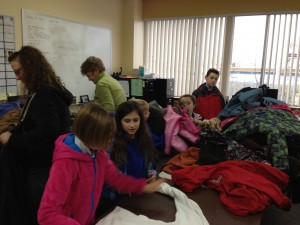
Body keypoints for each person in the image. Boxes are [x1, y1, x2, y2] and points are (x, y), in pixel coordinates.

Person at [37, 103, 165, 225]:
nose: (110, 141)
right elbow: (47, 214)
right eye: (107, 137)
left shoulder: (99, 154)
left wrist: (142, 186)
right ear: (92, 135)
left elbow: (115, 179)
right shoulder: (65, 164)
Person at [0, 45, 73, 225]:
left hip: (43, 168)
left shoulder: (44, 96)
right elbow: (32, 123)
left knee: (43, 215)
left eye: (19, 71)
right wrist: (14, 131)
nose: (17, 77)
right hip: (52, 164)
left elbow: (46, 132)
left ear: (31, 67)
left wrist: (13, 139)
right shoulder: (48, 91)